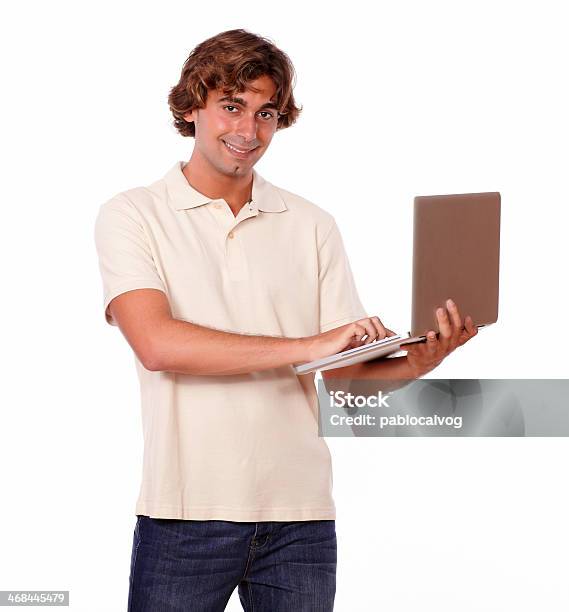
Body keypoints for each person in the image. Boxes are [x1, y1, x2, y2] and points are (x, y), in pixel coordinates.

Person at [94, 28, 478, 612]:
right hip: (185, 513)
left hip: (300, 518)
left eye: (265, 112)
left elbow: (346, 385)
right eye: (231, 106)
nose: (248, 131)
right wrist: (311, 344)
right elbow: (157, 344)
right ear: (192, 105)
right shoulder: (133, 215)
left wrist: (423, 358)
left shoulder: (312, 224)